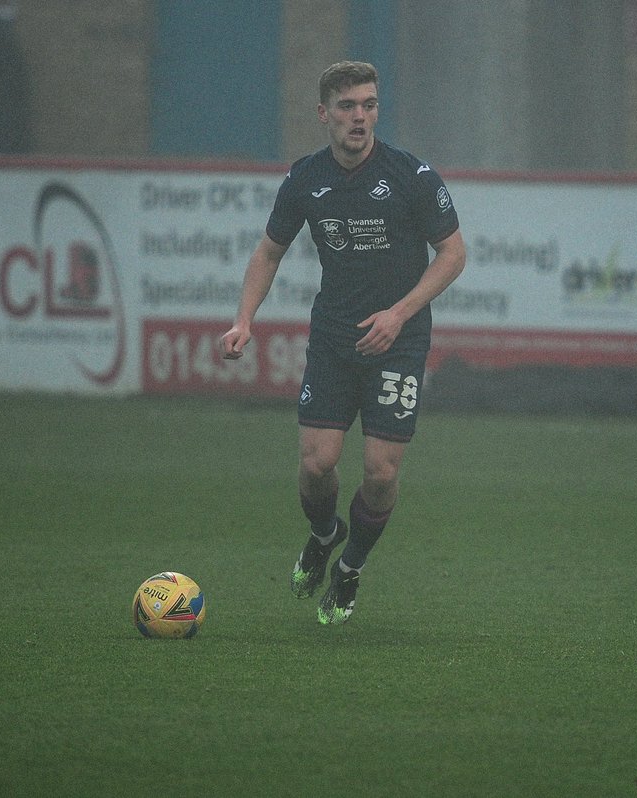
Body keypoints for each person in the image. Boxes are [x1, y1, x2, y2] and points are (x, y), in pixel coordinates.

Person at [221, 61, 465, 625]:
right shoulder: (304, 178)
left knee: (381, 474)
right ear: (324, 112)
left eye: (370, 104)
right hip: (334, 338)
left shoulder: (412, 175)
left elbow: (452, 255)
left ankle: (350, 567)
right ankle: (324, 533)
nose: (361, 117)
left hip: (398, 341)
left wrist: (399, 314)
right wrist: (244, 320)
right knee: (316, 465)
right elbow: (269, 252)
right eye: (349, 106)